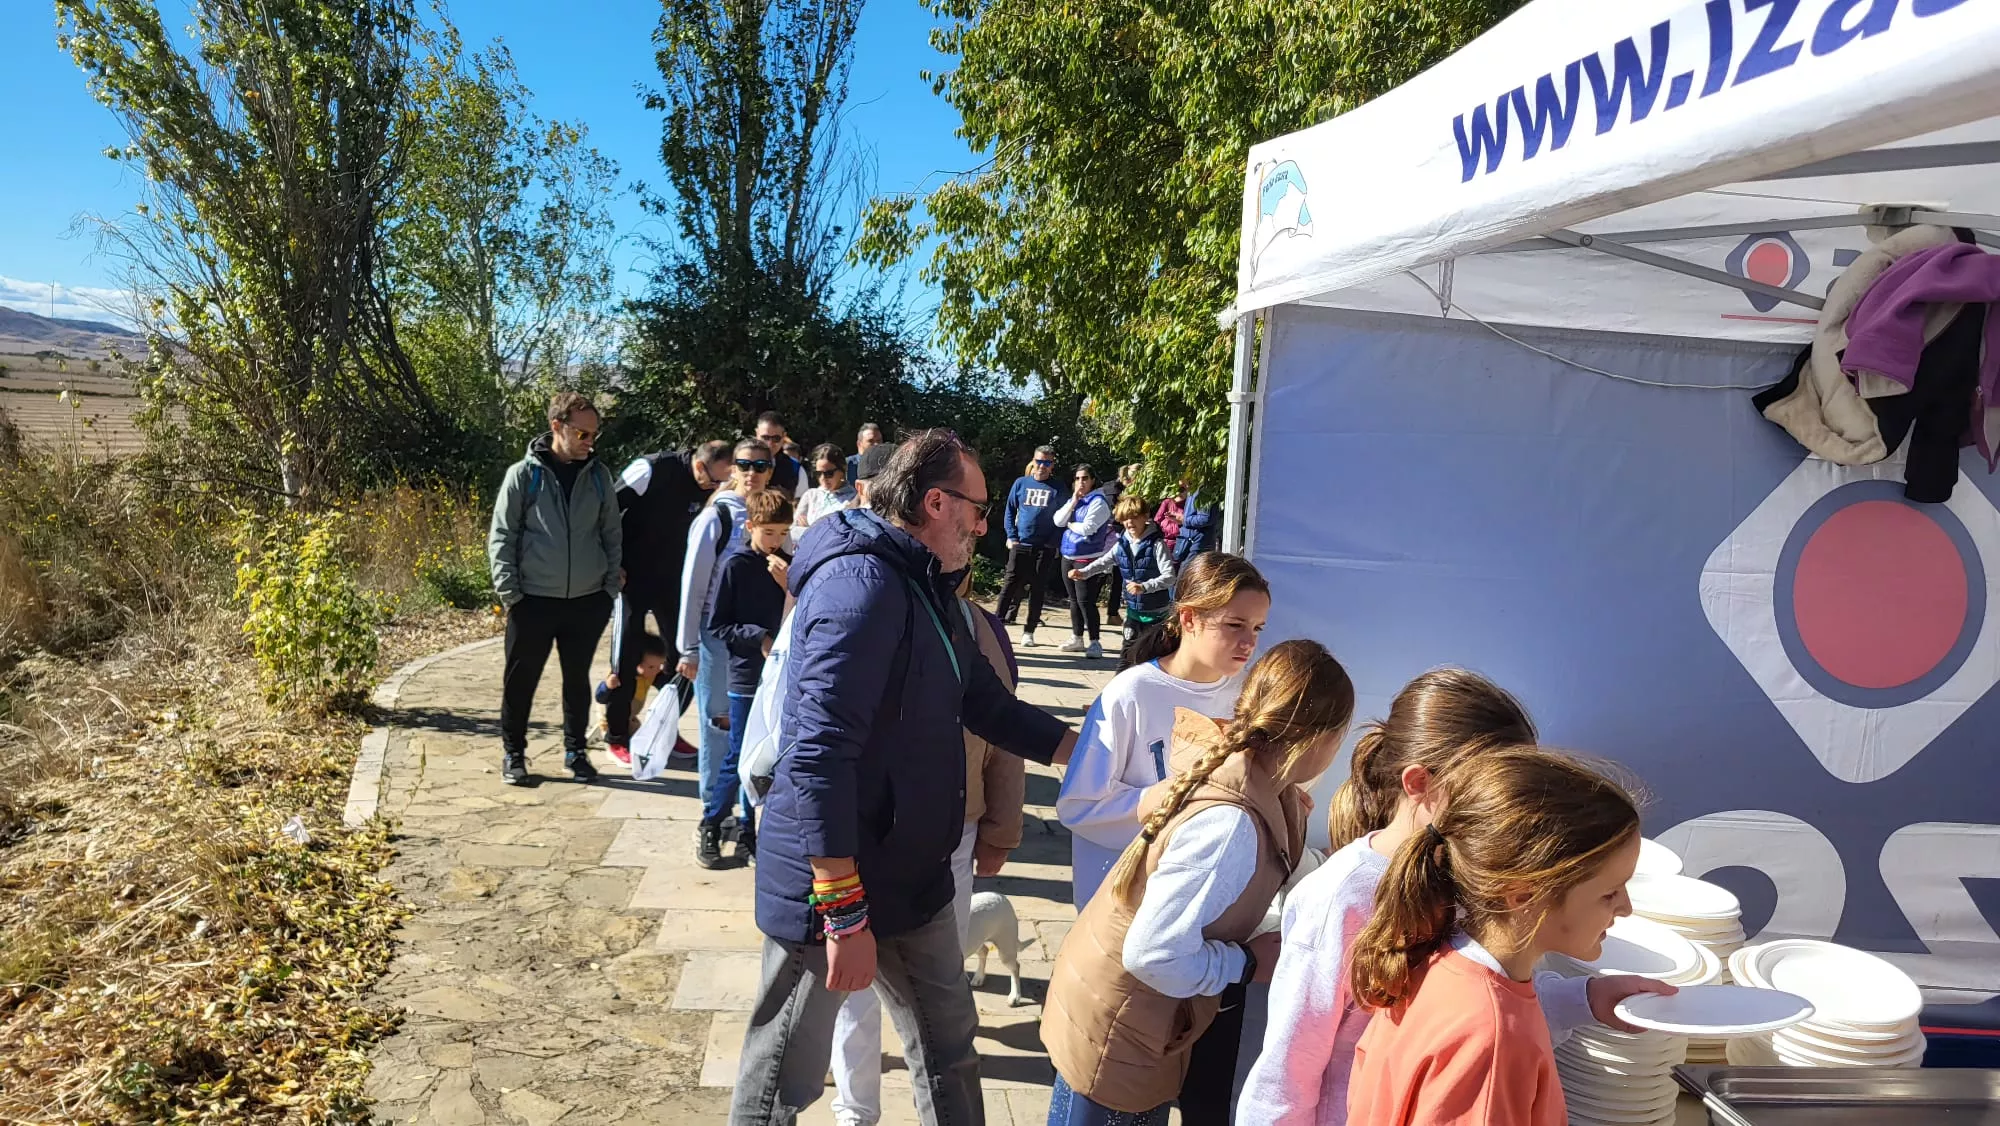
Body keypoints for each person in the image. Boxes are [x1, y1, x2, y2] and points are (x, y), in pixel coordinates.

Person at [730, 429, 1079, 1126]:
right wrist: (843, 911)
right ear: (935, 502)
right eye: (977, 509)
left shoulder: (928, 588)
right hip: (829, 889)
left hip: (910, 879)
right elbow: (819, 752)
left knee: (950, 1050)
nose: (984, 525)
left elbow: (983, 702)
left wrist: (1093, 749)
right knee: (782, 1081)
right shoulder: (860, 586)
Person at [1237, 671, 1671, 1126]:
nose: (1509, 805)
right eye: (1491, 787)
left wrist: (1585, 998)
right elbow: (1286, 1074)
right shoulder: (1337, 900)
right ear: (1419, 783)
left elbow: (1486, 988)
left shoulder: (1477, 875)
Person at [1042, 640, 1357, 1126]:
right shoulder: (1229, 825)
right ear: (1318, 739)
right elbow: (1153, 954)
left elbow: (1284, 864)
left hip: (1133, 1014)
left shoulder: (1265, 780)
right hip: (1121, 1029)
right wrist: (1248, 963)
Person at [1345, 748, 1649, 1126]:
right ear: (1524, 895)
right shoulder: (1492, 1040)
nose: (1626, 907)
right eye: (1610, 893)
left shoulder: (1431, 958)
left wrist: (1586, 998)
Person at [829, 569, 1028, 1126]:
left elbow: (1005, 734)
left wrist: (1001, 830)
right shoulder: (855, 614)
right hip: (860, 836)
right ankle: (855, 1109)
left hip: (952, 835)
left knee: (940, 996)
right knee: (852, 984)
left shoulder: (983, 630)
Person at [1058, 552, 1268, 908]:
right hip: (1124, 902)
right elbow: (1079, 805)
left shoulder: (1249, 696)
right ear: (1189, 618)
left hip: (1204, 900)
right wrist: (1167, 797)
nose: (1249, 642)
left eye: (1257, 628)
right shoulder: (1132, 693)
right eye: (1235, 625)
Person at [488, 391, 623, 785]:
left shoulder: (599, 477)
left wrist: (607, 588)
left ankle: (575, 752)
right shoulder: (523, 475)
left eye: (594, 435)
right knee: (520, 680)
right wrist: (511, 593)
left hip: (586, 600)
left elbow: (611, 534)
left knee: (576, 680)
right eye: (582, 434)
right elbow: (502, 535)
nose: (589, 442)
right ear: (556, 427)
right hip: (533, 600)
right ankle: (514, 754)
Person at [603, 439, 733, 763]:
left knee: (685, 657)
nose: (716, 488)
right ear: (699, 465)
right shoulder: (651, 468)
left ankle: (664, 728)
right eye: (714, 480)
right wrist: (610, 560)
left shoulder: (714, 487)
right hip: (631, 577)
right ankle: (617, 733)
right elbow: (606, 510)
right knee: (626, 654)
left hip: (672, 579)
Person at [678, 439, 774, 812]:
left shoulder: (771, 514)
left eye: (761, 465)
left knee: (752, 728)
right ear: (732, 467)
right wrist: (687, 647)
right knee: (719, 725)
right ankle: (712, 812)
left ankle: (745, 815)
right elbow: (693, 585)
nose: (752, 472)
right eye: (744, 464)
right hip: (717, 636)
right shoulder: (715, 516)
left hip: (759, 639)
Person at [703, 489, 795, 868]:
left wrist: (789, 585)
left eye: (783, 532)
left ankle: (750, 831)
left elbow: (801, 614)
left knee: (770, 757)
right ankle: (711, 821)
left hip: (780, 676)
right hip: (744, 675)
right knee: (740, 755)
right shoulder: (736, 565)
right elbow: (718, 624)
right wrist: (757, 637)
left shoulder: (789, 565)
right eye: (769, 532)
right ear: (751, 526)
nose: (776, 541)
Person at [1069, 495, 1175, 669]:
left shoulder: (1156, 544)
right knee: (1126, 658)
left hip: (1156, 614)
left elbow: (1170, 576)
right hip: (1133, 612)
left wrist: (1144, 587)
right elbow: (1105, 560)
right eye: (1125, 518)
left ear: (1145, 517)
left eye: (1134, 517)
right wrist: (1084, 572)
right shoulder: (1123, 543)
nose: (1129, 523)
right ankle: (1117, 694)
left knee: (1153, 661)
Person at [998, 446, 1063, 647]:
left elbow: (1064, 516)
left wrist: (1053, 542)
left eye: (1047, 463)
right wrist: (1012, 536)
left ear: (1052, 465)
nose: (1042, 466)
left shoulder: (1058, 488)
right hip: (1021, 544)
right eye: (1039, 461)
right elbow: (1009, 511)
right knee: (1009, 585)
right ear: (1033, 461)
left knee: (1038, 589)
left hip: (1044, 548)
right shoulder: (1021, 483)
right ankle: (997, 625)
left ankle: (1029, 631)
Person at [1055, 465, 1116, 658]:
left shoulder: (1098, 502)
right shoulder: (1076, 500)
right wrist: (1072, 502)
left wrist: (1071, 525)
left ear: (1092, 480)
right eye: (1078, 478)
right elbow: (1058, 520)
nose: (1081, 482)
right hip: (1068, 556)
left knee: (1086, 601)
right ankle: (1077, 637)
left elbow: (1088, 528)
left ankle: (1095, 641)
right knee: (1073, 600)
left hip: (1087, 558)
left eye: (1085, 478)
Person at [596, 632, 669, 748]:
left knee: (645, 737)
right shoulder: (622, 676)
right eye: (651, 667)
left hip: (631, 716)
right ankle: (613, 742)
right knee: (639, 740)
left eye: (660, 665)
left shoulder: (650, 674)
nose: (655, 671)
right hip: (610, 722)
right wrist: (607, 686)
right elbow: (599, 697)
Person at [1099, 465, 1140, 628]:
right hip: (1114, 536)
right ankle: (1110, 612)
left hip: (1109, 535)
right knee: (1110, 573)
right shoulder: (1117, 492)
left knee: (1111, 573)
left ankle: (1112, 612)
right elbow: (1117, 515)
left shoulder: (1107, 488)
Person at [797, 442, 858, 529]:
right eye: (818, 473)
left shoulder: (854, 499)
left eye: (829, 473)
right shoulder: (810, 495)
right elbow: (793, 529)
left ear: (843, 469)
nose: (823, 478)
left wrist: (810, 529)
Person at [756, 411, 808, 499]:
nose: (770, 444)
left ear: (784, 436)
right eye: (765, 437)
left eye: (776, 438)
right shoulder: (740, 463)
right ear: (757, 434)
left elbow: (802, 507)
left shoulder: (795, 469)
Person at [1174, 488, 1219, 569]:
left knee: (1188, 575)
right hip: (1189, 543)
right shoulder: (1192, 491)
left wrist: (1184, 520)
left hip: (1198, 544)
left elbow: (1205, 518)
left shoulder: (1204, 490)